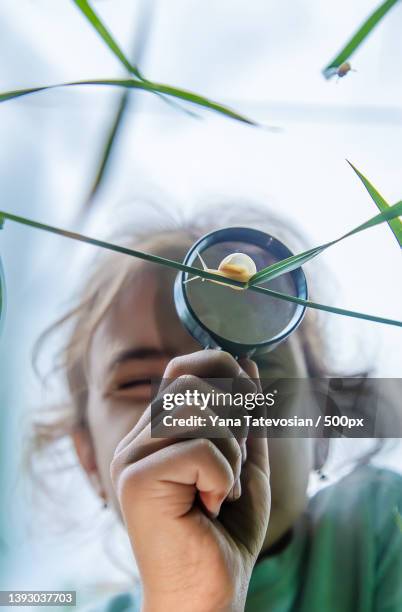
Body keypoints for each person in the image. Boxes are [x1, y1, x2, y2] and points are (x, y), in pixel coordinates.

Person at [32, 203, 402, 611]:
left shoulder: (383, 524)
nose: (203, 405)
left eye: (257, 367)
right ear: (89, 461)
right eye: (140, 383)